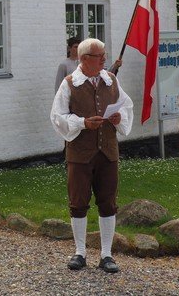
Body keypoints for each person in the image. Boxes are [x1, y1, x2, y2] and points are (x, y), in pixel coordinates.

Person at [50, 38, 133, 274]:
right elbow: (57, 116)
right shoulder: (70, 83)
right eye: (100, 56)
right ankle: (80, 253)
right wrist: (83, 123)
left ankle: (106, 254)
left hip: (108, 151)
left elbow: (126, 105)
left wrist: (119, 117)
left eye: (104, 55)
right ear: (85, 59)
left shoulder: (111, 79)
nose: (104, 59)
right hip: (80, 153)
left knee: (108, 202)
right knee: (78, 203)